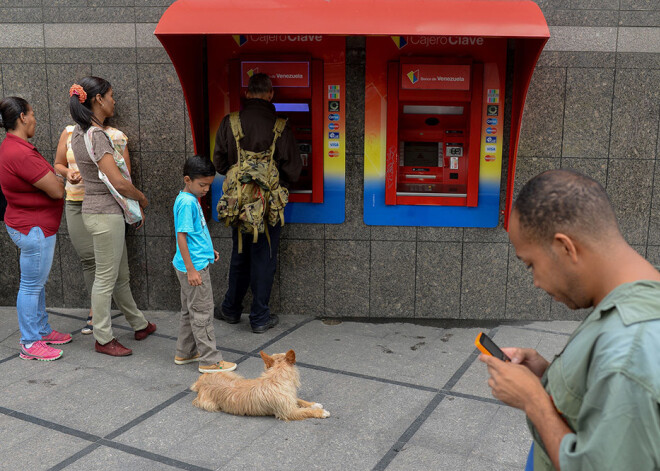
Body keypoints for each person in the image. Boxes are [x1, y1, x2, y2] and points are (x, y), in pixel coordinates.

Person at [480, 169, 660, 470]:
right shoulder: (640, 297)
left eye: (530, 265)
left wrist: (534, 401)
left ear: (566, 247)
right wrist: (545, 372)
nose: (536, 281)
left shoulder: (631, 348)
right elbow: (605, 400)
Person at [69, 76, 156, 356]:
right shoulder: (97, 135)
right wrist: (141, 198)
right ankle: (103, 338)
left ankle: (139, 323)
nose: (114, 100)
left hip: (95, 212)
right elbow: (118, 182)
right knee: (107, 278)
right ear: (98, 100)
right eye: (111, 95)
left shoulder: (77, 133)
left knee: (120, 276)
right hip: (105, 213)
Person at [213, 73, 302, 333]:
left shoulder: (229, 123)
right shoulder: (281, 126)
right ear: (271, 94)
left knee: (240, 253)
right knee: (264, 257)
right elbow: (294, 171)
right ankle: (260, 317)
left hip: (238, 203)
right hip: (267, 205)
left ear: (247, 93)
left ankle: (231, 309)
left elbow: (219, 164)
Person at [0, 96, 72, 361]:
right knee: (31, 286)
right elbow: (55, 190)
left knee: (36, 283)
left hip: (29, 225)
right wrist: (60, 178)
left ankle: (41, 330)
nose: (35, 119)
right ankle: (30, 342)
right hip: (33, 228)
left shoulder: (14, 146)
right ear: (22, 117)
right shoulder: (19, 152)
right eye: (32, 114)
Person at [54, 123, 132, 335]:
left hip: (105, 206)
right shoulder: (70, 132)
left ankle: (127, 319)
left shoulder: (115, 136)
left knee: (114, 269)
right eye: (110, 97)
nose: (113, 101)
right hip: (75, 202)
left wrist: (135, 204)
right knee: (89, 260)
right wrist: (68, 173)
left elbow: (124, 178)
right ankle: (97, 314)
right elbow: (57, 164)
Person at [172, 155, 238, 374]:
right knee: (202, 312)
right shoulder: (187, 202)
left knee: (189, 311)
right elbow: (181, 236)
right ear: (187, 179)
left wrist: (209, 250)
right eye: (202, 185)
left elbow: (194, 234)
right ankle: (210, 360)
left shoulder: (189, 199)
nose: (206, 189)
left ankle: (186, 351)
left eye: (209, 185)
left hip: (194, 262)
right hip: (194, 267)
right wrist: (192, 269)